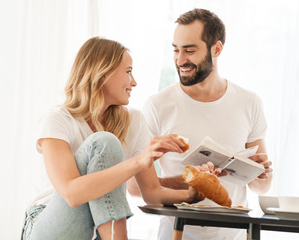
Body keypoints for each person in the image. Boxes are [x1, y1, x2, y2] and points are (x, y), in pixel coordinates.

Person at [21, 36, 204, 240]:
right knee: (105, 143)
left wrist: (189, 195)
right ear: (103, 73)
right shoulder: (58, 120)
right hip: (51, 225)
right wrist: (137, 162)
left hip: (97, 229)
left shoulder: (134, 120)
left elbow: (152, 192)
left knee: (108, 146)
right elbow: (71, 194)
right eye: (128, 72)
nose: (134, 82)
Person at [127, 8, 273, 240]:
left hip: (235, 234)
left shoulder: (249, 102)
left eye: (190, 50)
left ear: (216, 49)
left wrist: (259, 174)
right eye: (176, 50)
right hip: (177, 233)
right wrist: (189, 182)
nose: (180, 60)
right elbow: (135, 189)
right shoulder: (158, 105)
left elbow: (261, 188)